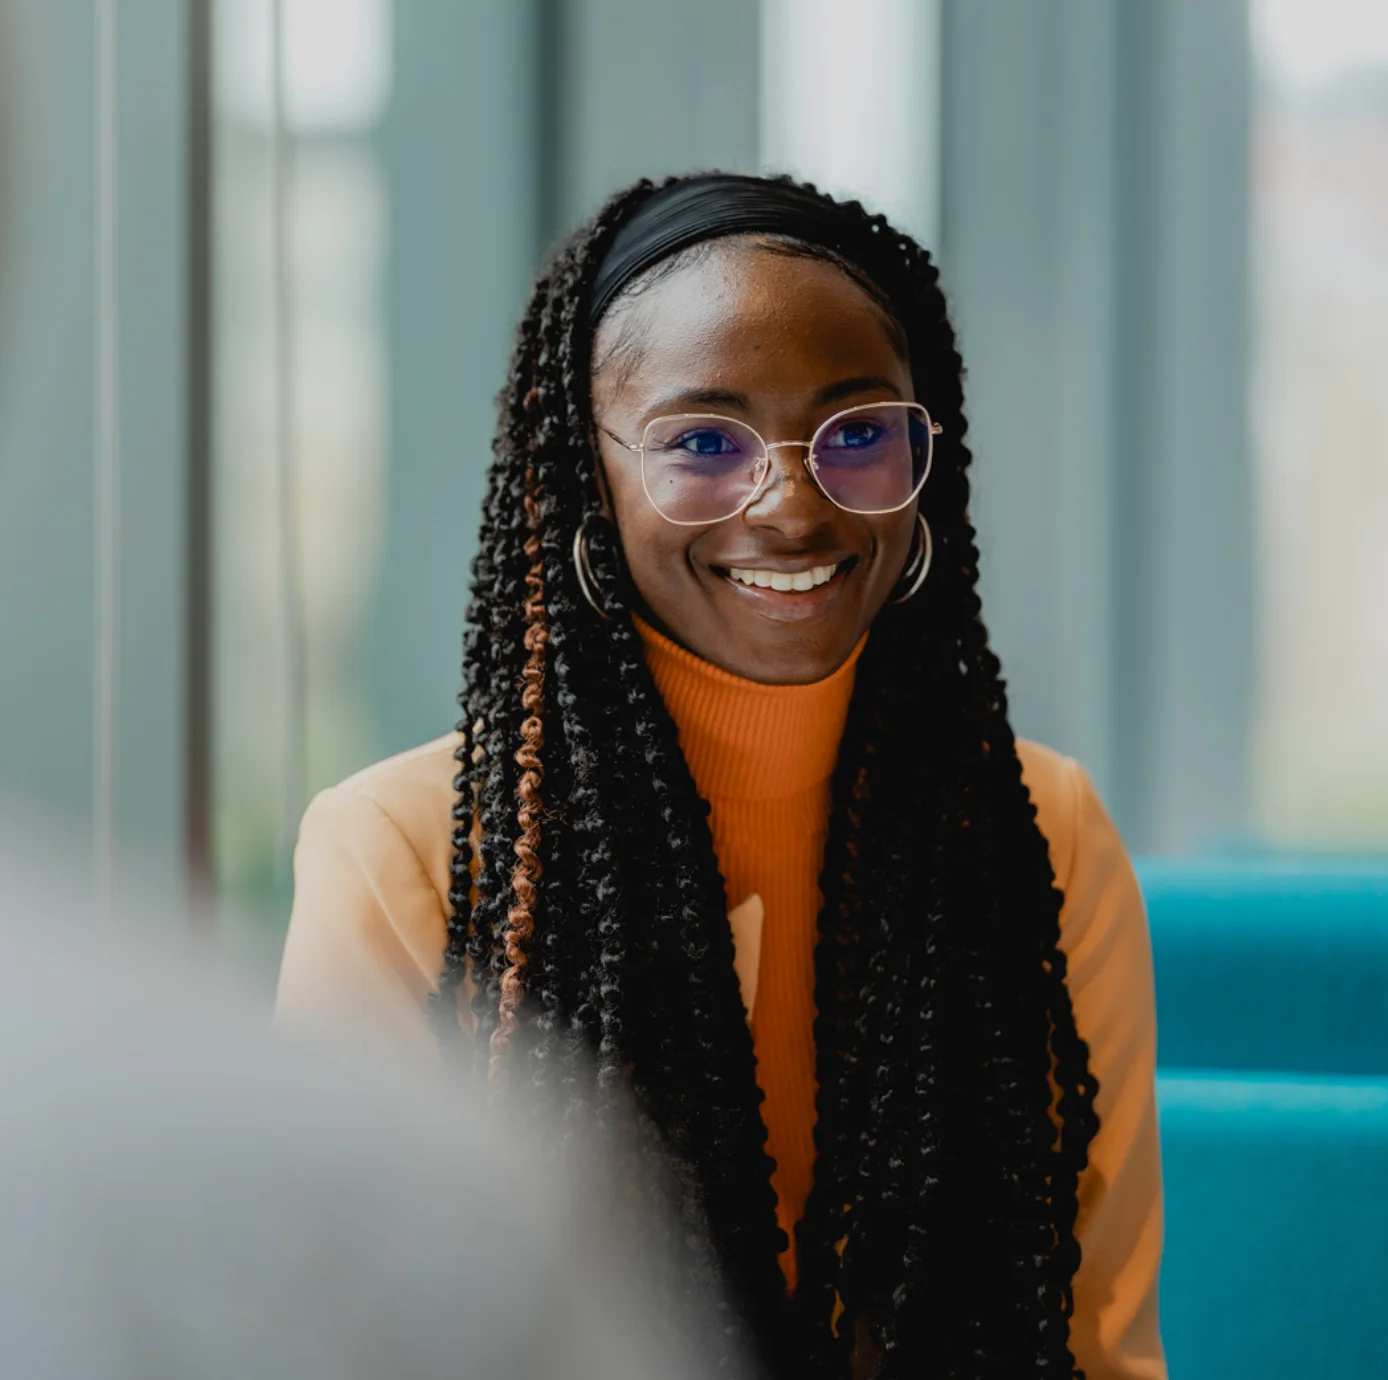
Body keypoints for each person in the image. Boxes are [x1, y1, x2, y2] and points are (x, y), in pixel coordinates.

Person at [278, 173, 1165, 1380]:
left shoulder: (1037, 831)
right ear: (584, 475)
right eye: (701, 443)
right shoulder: (406, 854)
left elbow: (1099, 1348)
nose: (792, 508)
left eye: (858, 434)